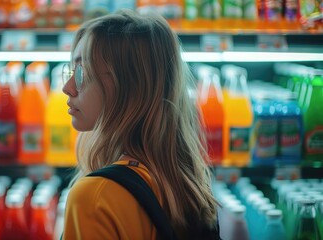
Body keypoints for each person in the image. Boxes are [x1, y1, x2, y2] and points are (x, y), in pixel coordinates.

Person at [61, 9, 220, 240]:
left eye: (81, 72)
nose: (67, 87)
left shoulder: (95, 197)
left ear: (128, 86)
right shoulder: (186, 184)